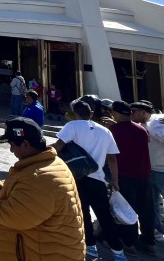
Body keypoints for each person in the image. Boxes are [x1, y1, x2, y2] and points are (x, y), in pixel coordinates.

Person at [0, 117, 85, 260]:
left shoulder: (40, 178)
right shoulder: (49, 163)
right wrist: (1, 187)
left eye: (12, 144)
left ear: (25, 144)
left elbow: (11, 215)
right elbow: (23, 183)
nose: (11, 149)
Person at [53, 100, 126, 261]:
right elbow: (112, 159)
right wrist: (115, 180)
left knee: (82, 213)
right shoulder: (105, 131)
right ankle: (118, 252)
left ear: (75, 115)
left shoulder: (72, 126)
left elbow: (58, 146)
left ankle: (90, 246)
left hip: (76, 178)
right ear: (91, 113)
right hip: (98, 178)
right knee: (104, 216)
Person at [107, 100, 156, 255]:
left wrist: (114, 179)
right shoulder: (141, 130)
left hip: (125, 175)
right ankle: (149, 242)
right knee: (146, 210)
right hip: (144, 175)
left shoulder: (114, 130)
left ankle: (129, 243)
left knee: (127, 210)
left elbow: (112, 157)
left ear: (117, 113)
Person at [134, 101, 164, 240]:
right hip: (151, 169)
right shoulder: (145, 124)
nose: (132, 115)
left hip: (161, 170)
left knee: (154, 202)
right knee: (152, 203)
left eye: (134, 112)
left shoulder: (156, 122)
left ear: (142, 113)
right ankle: (156, 229)